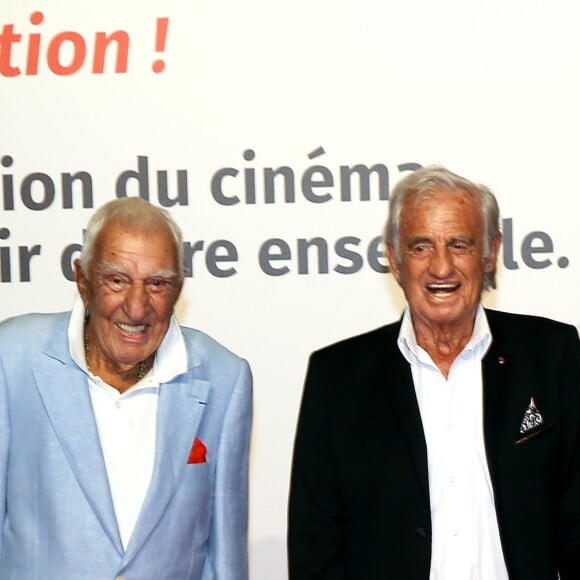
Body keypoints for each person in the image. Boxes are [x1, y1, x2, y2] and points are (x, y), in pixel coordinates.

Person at [288, 166, 580, 579]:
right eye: (421, 247)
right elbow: (313, 547)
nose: (441, 268)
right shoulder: (337, 378)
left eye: (459, 244)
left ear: (490, 251)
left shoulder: (552, 354)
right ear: (394, 258)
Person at [0, 197, 253, 579]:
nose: (136, 308)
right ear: (83, 281)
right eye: (116, 280)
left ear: (178, 289)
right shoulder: (12, 358)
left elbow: (225, 559)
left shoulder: (224, 379)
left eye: (157, 284)